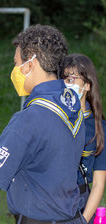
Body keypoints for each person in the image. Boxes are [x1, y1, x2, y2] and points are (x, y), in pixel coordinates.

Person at [0, 24, 87, 223]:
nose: (15, 71)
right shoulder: (74, 107)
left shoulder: (30, 118)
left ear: (31, 64)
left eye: (16, 63)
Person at [62, 54, 106, 223]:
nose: (67, 84)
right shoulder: (53, 118)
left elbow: (98, 184)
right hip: (49, 206)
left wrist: (84, 220)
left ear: (87, 85)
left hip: (80, 207)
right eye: (64, 79)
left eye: (72, 78)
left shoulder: (98, 127)